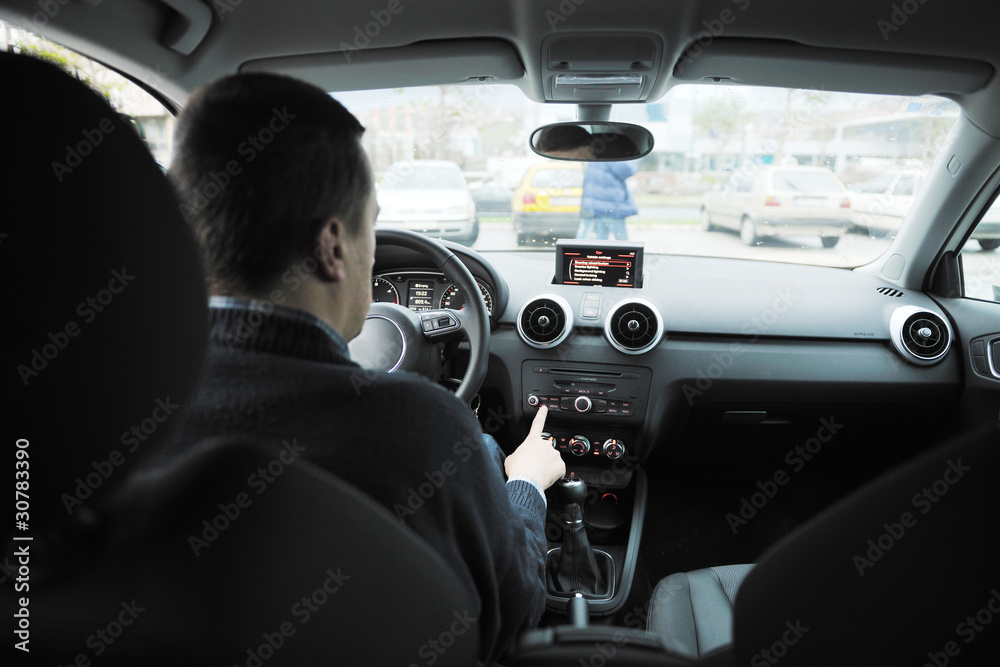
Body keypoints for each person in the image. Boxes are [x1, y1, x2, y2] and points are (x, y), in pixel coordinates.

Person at [165, 72, 566, 664]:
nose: (374, 250)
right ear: (332, 246)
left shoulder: (116, 413)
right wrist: (525, 485)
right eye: (369, 224)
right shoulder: (423, 429)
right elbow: (512, 615)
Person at [580, 160, 639, 240]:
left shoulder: (596, 152)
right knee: (622, 241)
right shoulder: (613, 154)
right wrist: (634, 158)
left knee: (599, 239)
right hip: (611, 205)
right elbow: (627, 170)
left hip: (594, 204)